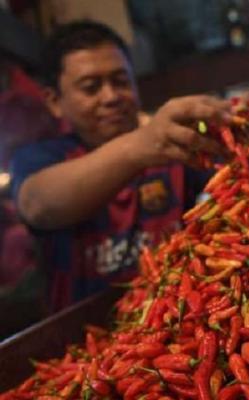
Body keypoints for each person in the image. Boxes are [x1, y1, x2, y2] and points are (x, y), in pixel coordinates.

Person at [10, 21, 233, 311]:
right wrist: (142, 144)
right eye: (91, 87)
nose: (111, 97)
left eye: (121, 81)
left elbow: (230, 189)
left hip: (174, 320)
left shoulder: (171, 148)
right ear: (54, 101)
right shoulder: (43, 157)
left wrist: (238, 133)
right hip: (89, 336)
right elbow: (38, 204)